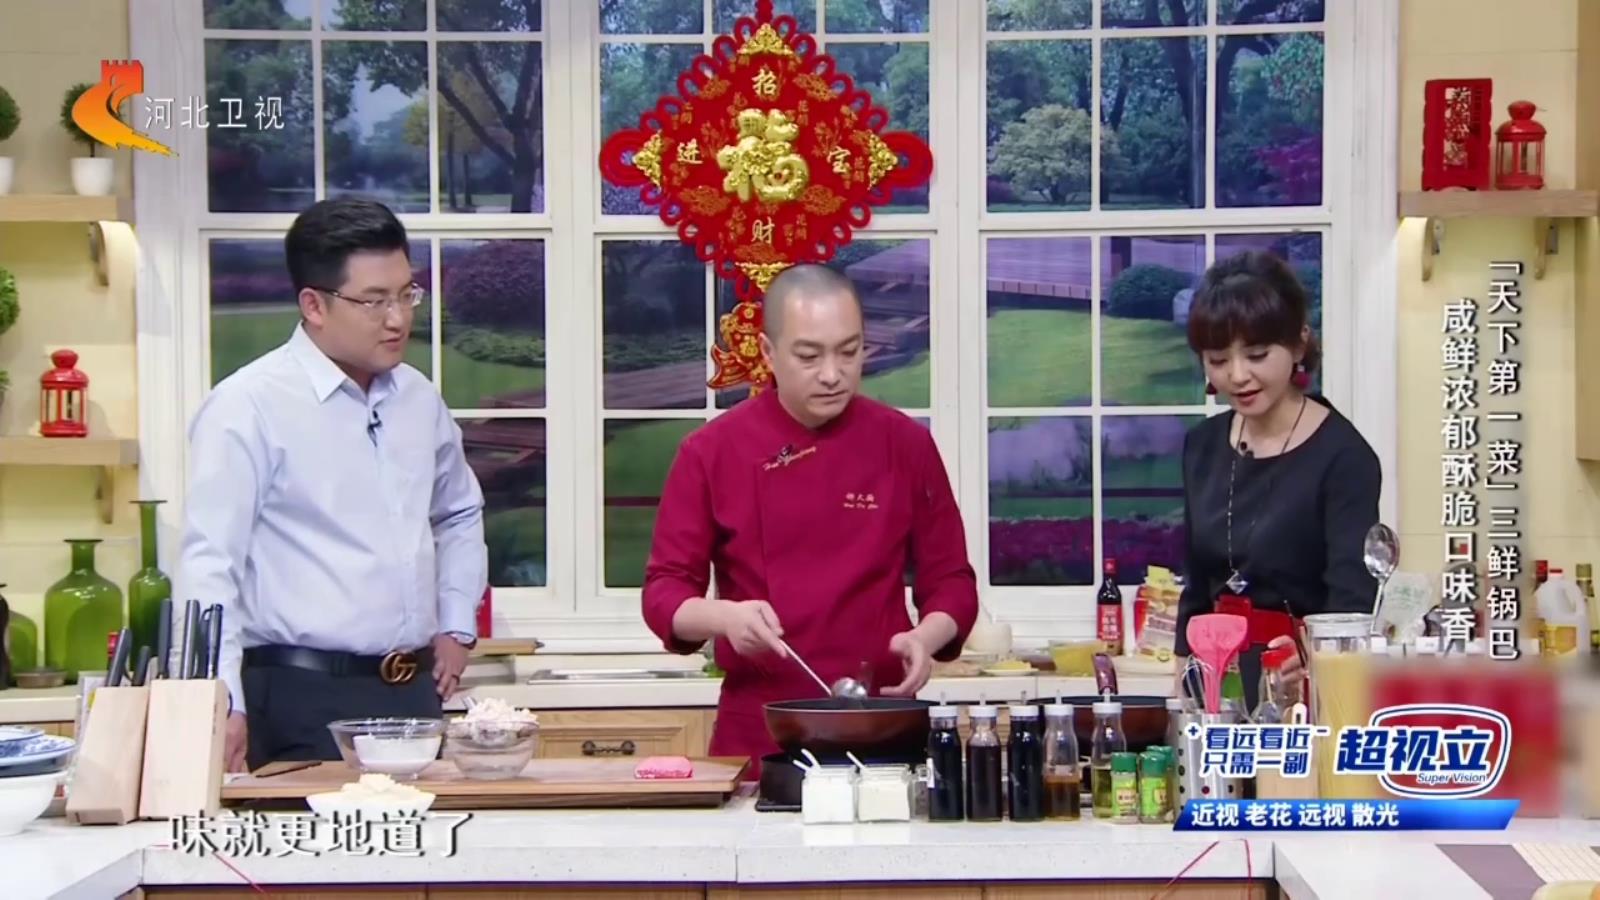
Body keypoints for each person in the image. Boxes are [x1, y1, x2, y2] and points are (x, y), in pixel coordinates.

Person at [178, 197, 488, 772]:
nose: (397, 318)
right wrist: (218, 701)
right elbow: (209, 565)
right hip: (297, 698)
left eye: (406, 294)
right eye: (374, 301)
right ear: (314, 305)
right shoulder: (247, 406)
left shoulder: (419, 399)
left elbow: (459, 512)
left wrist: (455, 622)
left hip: (413, 696)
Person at [642, 264, 979, 767]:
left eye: (849, 351)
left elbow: (952, 580)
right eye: (809, 356)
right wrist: (725, 617)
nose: (832, 374)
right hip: (760, 737)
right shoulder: (710, 452)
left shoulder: (905, 444)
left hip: (883, 725)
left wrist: (924, 638)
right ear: (768, 352)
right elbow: (663, 592)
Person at [1172, 250, 1381, 709]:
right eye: (1218, 359)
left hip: (1302, 688)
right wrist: (1183, 688)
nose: (1237, 376)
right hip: (1214, 684)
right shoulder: (1203, 446)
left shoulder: (1344, 457)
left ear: (1299, 345)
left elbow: (1352, 603)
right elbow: (1197, 587)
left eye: (1257, 355)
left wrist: (1308, 666)